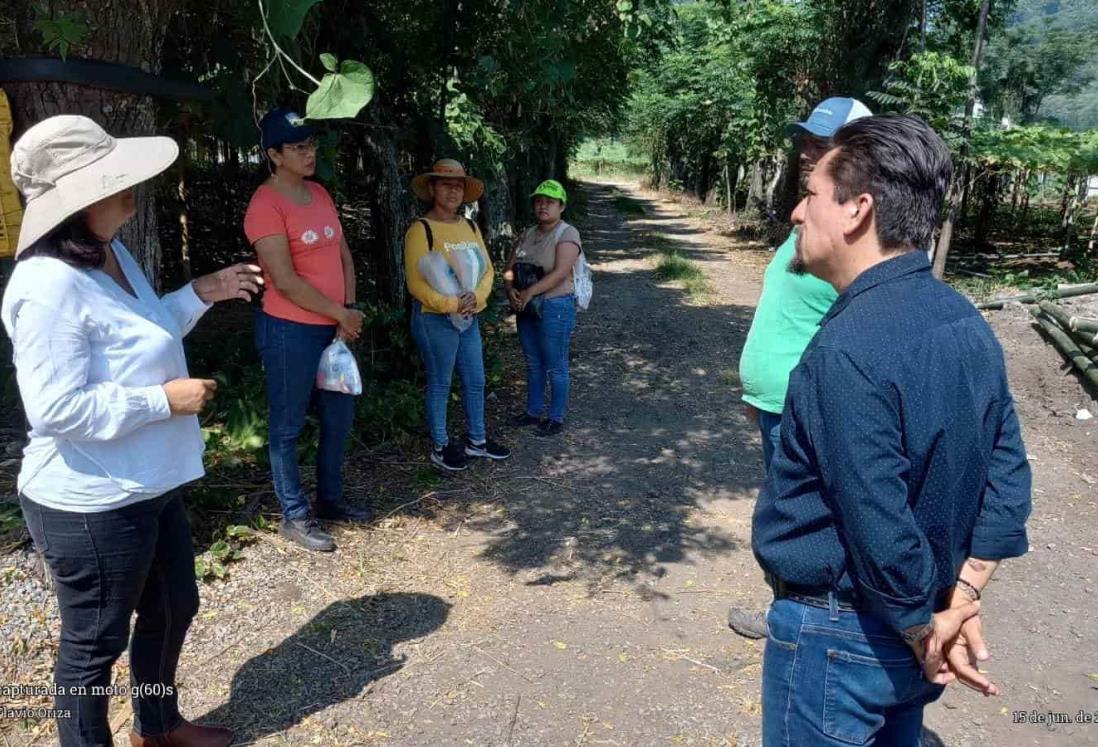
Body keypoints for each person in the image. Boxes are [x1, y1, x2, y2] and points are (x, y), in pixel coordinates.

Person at [752, 115, 1032, 746]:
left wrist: (921, 625)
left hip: (841, 635)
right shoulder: (962, 319)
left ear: (857, 210)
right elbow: (1007, 471)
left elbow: (877, 514)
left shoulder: (844, 353)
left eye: (813, 195)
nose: (797, 213)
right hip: (917, 622)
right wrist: (959, 599)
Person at [3, 115, 263, 747]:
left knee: (174, 608)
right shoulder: (46, 286)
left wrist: (201, 292)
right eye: (111, 181)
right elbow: (56, 409)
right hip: (89, 501)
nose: (131, 190)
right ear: (75, 203)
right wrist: (161, 401)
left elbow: (143, 333)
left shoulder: (111, 254)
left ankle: (158, 724)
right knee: (94, 646)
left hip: (150, 480)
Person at [729, 97, 872, 640]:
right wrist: (758, 391)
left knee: (805, 518)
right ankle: (792, 611)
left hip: (802, 404)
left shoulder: (857, 231)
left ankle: (805, 623)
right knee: (789, 512)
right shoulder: (810, 216)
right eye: (808, 142)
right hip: (775, 403)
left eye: (824, 143)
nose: (811, 153)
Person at [244, 107, 371, 553]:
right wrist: (339, 312)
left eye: (311, 144)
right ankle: (294, 514)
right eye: (297, 147)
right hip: (289, 331)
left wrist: (348, 310)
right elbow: (284, 279)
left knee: (338, 417)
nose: (308, 152)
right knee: (287, 426)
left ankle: (331, 499)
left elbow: (342, 255)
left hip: (334, 329)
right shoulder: (265, 204)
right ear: (274, 155)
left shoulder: (319, 194)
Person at [404, 159, 511, 471]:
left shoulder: (470, 226)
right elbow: (415, 283)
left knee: (475, 380)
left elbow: (488, 269)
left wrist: (476, 299)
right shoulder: (420, 230)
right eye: (445, 183)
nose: (453, 190)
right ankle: (440, 444)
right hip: (435, 319)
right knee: (441, 381)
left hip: (469, 316)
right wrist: (451, 304)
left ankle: (477, 440)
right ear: (432, 188)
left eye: (459, 185)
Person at [504, 179, 582, 436]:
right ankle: (533, 411)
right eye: (538, 201)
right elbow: (509, 268)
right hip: (526, 306)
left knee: (555, 363)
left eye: (549, 202)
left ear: (561, 206)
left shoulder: (567, 234)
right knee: (533, 362)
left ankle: (555, 416)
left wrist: (529, 292)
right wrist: (510, 289)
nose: (543, 206)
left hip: (554, 306)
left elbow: (560, 272)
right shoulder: (527, 234)